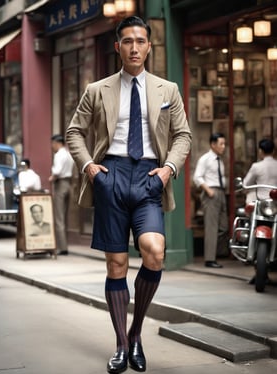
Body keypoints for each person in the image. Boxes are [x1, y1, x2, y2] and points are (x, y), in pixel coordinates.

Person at [66, 16, 191, 374]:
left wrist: (168, 170)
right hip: (112, 175)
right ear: (117, 46)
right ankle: (123, 344)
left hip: (152, 177)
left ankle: (136, 332)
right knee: (116, 264)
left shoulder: (168, 90)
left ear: (149, 46)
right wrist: (90, 167)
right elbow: (75, 132)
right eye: (127, 41)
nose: (134, 47)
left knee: (154, 251)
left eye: (140, 41)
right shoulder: (97, 89)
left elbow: (183, 136)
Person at [193, 133, 229, 269]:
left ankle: (217, 252)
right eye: (221, 144)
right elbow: (197, 177)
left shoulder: (219, 160)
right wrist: (208, 190)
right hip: (211, 193)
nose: (223, 147)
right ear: (213, 144)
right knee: (211, 227)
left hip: (221, 192)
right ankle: (209, 259)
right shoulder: (205, 159)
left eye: (224, 144)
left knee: (224, 226)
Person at [48, 134, 74, 256]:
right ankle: (64, 244)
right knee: (64, 216)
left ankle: (62, 247)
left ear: (57, 143)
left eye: (52, 143)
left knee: (59, 217)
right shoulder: (68, 154)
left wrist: (52, 177)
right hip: (69, 184)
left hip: (60, 184)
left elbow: (57, 171)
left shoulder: (59, 155)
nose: (52, 146)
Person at [243, 138, 277, 203]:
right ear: (273, 151)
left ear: (260, 151)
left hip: (262, 202)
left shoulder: (256, 166)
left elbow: (246, 184)